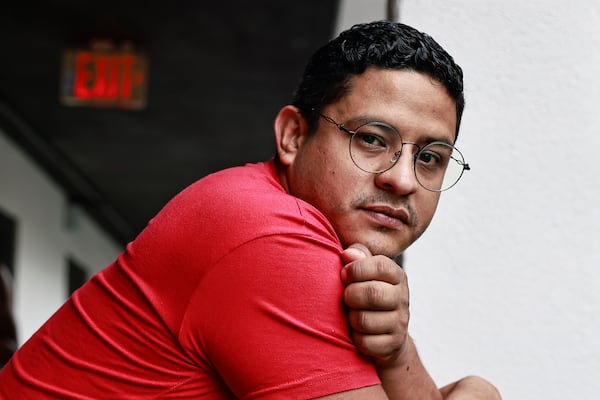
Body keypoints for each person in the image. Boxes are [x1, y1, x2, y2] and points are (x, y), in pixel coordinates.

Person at [0, 21, 500, 399]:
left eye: (429, 157)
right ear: (293, 135)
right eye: (371, 140)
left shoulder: (292, 228)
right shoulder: (271, 235)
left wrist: (395, 353)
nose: (403, 179)